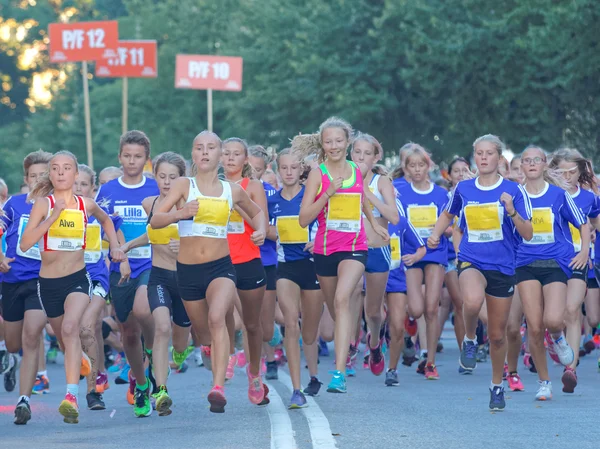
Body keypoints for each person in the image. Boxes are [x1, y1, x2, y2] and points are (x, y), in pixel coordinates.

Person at [150, 131, 266, 413]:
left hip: (221, 267)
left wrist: (261, 229)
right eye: (199, 147)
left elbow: (257, 212)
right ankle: (209, 349)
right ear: (193, 154)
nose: (204, 152)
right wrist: (180, 213)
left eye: (211, 147)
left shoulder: (232, 190)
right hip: (188, 272)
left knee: (217, 318)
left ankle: (218, 388)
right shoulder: (182, 185)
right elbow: (155, 220)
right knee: (203, 334)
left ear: (219, 154)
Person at [428, 134, 533, 411]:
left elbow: (528, 233)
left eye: (489, 153)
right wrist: (436, 235)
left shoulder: (514, 191)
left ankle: (496, 385)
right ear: (475, 157)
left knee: (498, 336)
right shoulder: (463, 189)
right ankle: (470, 339)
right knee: (472, 302)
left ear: (500, 159)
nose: (484, 158)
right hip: (471, 260)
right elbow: (447, 215)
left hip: (503, 267)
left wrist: (511, 211)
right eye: (479, 153)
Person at [20, 151, 124, 424]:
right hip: (48, 282)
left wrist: (114, 245)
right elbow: (25, 243)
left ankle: (71, 397)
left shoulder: (85, 204)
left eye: (67, 168)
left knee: (70, 328)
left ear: (76, 174)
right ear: (51, 174)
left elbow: (106, 220)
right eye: (56, 168)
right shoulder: (43, 204)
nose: (62, 172)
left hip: (78, 278)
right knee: (65, 339)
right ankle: (82, 363)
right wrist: (53, 217)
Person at [297, 117, 388, 393]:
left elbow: (362, 203)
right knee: (337, 312)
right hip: (325, 249)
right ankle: (347, 341)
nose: (334, 146)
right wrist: (327, 194)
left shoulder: (356, 171)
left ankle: (339, 373)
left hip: (354, 247)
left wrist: (373, 226)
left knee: (341, 298)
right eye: (328, 141)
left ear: (347, 142)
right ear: (322, 145)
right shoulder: (318, 174)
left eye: (339, 141)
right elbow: (303, 219)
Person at [121, 152, 194, 416]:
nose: (166, 182)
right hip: (160, 276)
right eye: (161, 176)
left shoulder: (191, 205)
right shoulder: (149, 203)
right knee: (161, 327)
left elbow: (210, 241)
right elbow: (152, 234)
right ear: (155, 177)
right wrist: (128, 245)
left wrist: (185, 244)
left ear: (182, 179)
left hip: (186, 279)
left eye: (172, 177)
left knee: (180, 341)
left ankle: (182, 350)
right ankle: (161, 391)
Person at [515, 145, 588, 401]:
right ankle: (544, 381)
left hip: (555, 263)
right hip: (524, 264)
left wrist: (583, 252)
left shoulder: (558, 195)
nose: (532, 164)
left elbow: (583, 223)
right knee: (534, 326)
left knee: (554, 320)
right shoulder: (514, 195)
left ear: (545, 164)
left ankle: (558, 338)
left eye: (537, 160)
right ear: (521, 166)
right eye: (527, 160)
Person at [94, 130, 159, 417]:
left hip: (151, 263)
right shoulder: (108, 191)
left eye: (138, 157)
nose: (132, 161)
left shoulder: (156, 187)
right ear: (119, 156)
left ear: (147, 160)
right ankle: (141, 384)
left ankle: (154, 356)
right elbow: (101, 229)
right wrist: (118, 250)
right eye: (127, 156)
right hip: (119, 267)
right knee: (129, 333)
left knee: (145, 311)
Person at [267, 148, 323, 407]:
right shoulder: (272, 202)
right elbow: (262, 228)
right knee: (292, 323)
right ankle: (296, 389)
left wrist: (318, 241)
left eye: (293, 168)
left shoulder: (311, 197)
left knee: (310, 329)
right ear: (278, 170)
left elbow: (327, 223)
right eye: (284, 168)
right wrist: (264, 232)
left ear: (302, 170)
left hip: (311, 266)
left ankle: (313, 375)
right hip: (285, 267)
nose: (288, 172)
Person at [0, 149, 52, 425]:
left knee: (33, 336)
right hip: (12, 278)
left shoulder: (58, 206)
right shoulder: (14, 204)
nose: (37, 180)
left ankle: (24, 400)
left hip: (41, 280)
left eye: (43, 175)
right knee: (13, 343)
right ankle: (10, 358)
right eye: (33, 176)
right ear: (26, 178)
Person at [221, 138, 271, 405]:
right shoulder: (210, 188)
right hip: (220, 261)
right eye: (226, 153)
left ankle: (254, 374)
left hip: (248, 259)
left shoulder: (252, 186)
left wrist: (236, 201)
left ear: (245, 160)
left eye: (236, 154)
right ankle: (226, 357)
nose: (230, 158)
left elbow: (259, 220)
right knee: (221, 313)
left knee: (253, 325)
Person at [548, 148, 600, 393]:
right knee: (553, 317)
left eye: (572, 172)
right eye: (561, 172)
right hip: (551, 263)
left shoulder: (588, 198)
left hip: (579, 262)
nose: (567, 176)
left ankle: (571, 370)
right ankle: (555, 339)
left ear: (580, 172)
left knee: (572, 311)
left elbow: (597, 226)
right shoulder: (549, 195)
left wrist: (589, 247)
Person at [397, 145, 449, 379]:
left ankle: (429, 361)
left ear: (428, 166)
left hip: (435, 253)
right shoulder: (401, 193)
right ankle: (410, 325)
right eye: (412, 165)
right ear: (405, 168)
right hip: (410, 254)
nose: (417, 170)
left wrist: (440, 232)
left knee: (431, 308)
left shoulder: (440, 194)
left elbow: (450, 224)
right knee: (416, 309)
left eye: (421, 165)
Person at [350, 133, 399, 376]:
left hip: (378, 250)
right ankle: (349, 343)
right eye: (357, 152)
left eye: (367, 153)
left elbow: (394, 217)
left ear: (375, 156)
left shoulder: (381, 182)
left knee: (373, 311)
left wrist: (367, 195)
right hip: (351, 249)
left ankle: (375, 342)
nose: (361, 157)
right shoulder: (343, 180)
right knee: (352, 289)